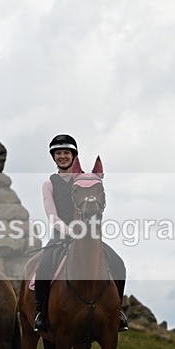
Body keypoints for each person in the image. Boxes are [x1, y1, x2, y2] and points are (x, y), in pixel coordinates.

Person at [34, 134, 129, 333]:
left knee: (118, 264)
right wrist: (70, 231)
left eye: (66, 153)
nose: (62, 156)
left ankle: (117, 311)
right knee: (43, 267)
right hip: (61, 236)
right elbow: (52, 215)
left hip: (89, 237)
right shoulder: (49, 183)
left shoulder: (87, 180)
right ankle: (41, 313)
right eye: (58, 153)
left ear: (73, 155)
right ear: (53, 156)